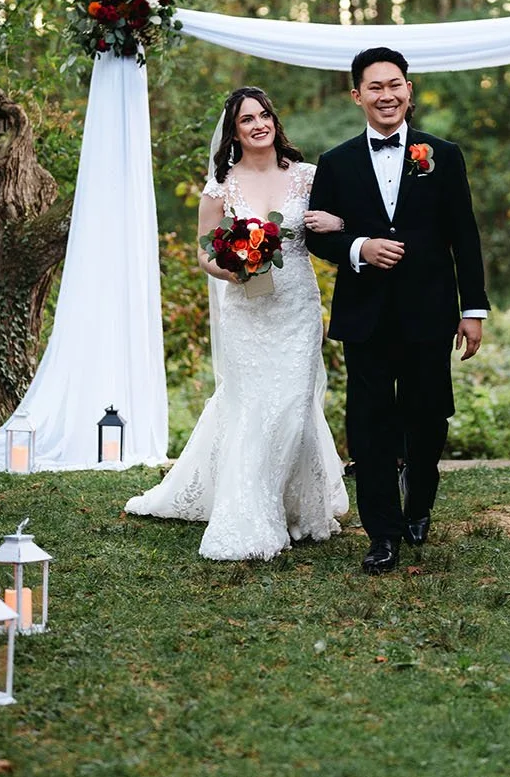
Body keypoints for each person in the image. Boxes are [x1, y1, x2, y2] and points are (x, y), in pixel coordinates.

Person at [127, 87, 347, 560]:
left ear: (274, 121)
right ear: (235, 132)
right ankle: (251, 510)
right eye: (247, 119)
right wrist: (229, 266)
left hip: (297, 307)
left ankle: (299, 507)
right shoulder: (220, 187)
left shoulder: (308, 177)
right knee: (250, 407)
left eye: (264, 114)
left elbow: (335, 222)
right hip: (247, 309)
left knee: (292, 405)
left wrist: (338, 222)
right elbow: (204, 250)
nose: (258, 124)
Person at [306, 48, 489, 575]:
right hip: (365, 316)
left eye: (395, 85)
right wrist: (360, 247)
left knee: (427, 417)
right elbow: (319, 238)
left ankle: (420, 506)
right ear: (357, 95)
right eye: (375, 87)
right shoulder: (336, 162)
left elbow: (465, 237)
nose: (386, 96)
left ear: (408, 90)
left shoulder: (443, 155)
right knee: (369, 425)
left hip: (430, 312)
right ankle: (381, 533)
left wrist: (472, 308)